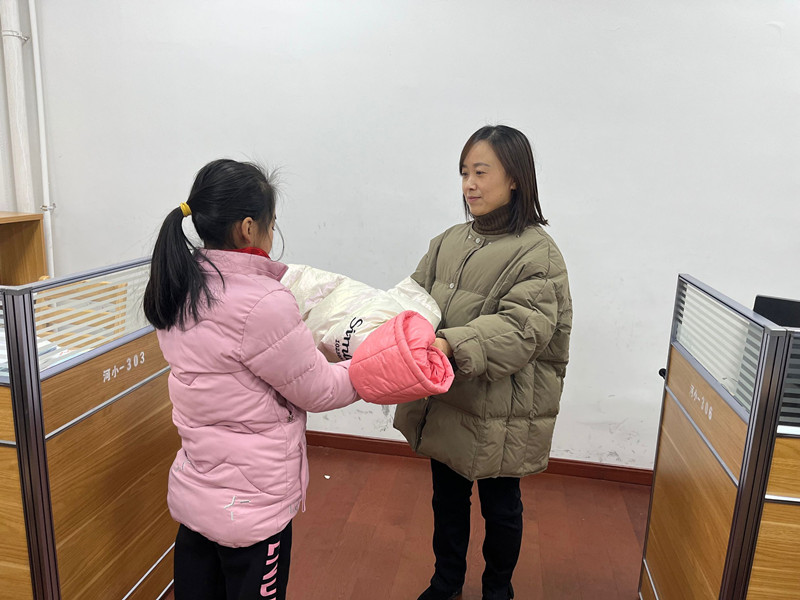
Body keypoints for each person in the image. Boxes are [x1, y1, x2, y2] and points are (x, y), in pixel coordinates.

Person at [143, 159, 359, 600]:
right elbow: (320, 389)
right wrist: (371, 365)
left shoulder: (179, 286)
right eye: (271, 224)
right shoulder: (263, 303)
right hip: (253, 510)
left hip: (197, 497)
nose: (272, 233)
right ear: (247, 228)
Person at [394, 125, 573, 600]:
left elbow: (522, 328)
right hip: (449, 396)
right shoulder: (448, 241)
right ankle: (446, 582)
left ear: (514, 178)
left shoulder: (539, 253)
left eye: (480, 172)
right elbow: (413, 300)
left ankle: (498, 589)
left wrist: (450, 344)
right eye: (463, 173)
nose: (469, 185)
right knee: (446, 498)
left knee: (501, 507)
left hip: (504, 407)